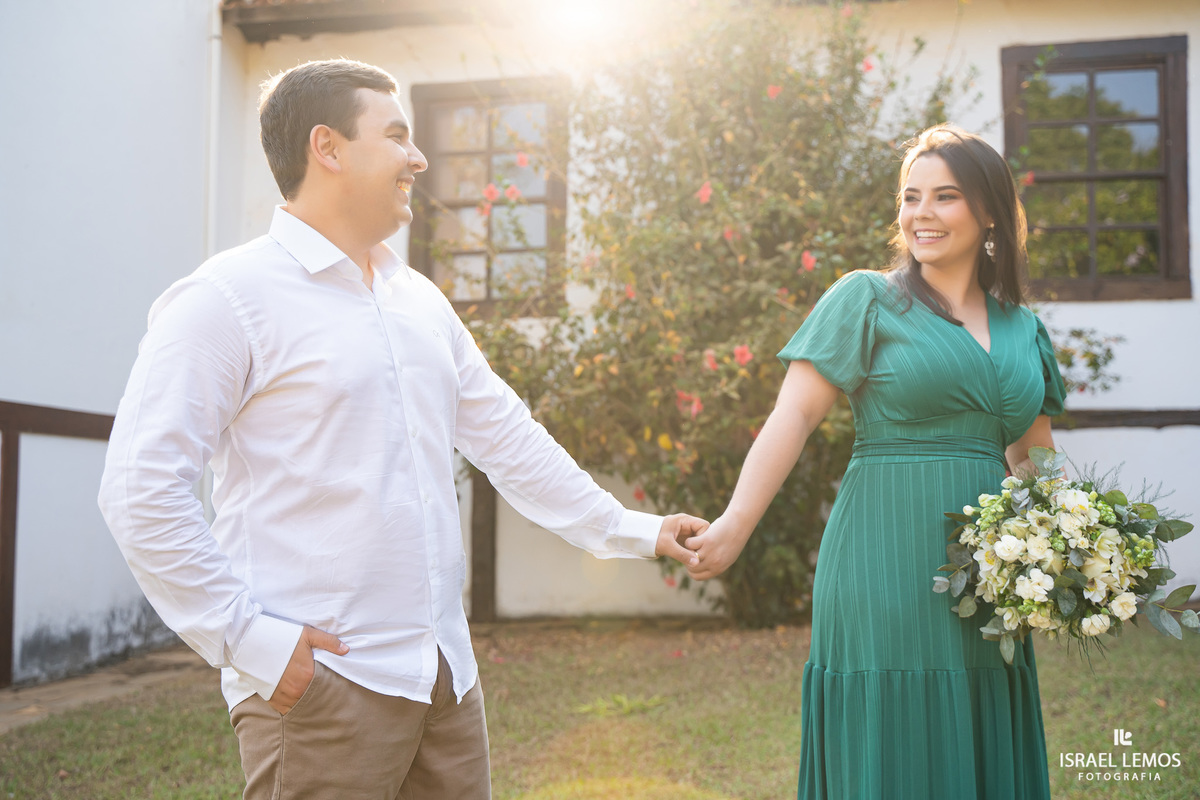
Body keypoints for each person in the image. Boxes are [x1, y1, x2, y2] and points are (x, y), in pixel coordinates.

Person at [98, 58, 707, 800]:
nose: (418, 158)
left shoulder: (419, 301)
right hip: (324, 687)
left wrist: (636, 531)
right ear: (327, 147)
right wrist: (251, 641)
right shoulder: (225, 299)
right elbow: (138, 488)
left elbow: (507, 439)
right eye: (395, 136)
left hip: (445, 680)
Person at [683, 124, 1065, 799]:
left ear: (988, 211)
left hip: (990, 572)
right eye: (911, 196)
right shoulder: (866, 299)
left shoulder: (1023, 328)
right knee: (893, 731)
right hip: (882, 553)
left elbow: (1033, 459)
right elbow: (793, 417)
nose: (921, 213)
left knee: (976, 716)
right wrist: (735, 524)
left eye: (945, 196)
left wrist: (1072, 547)